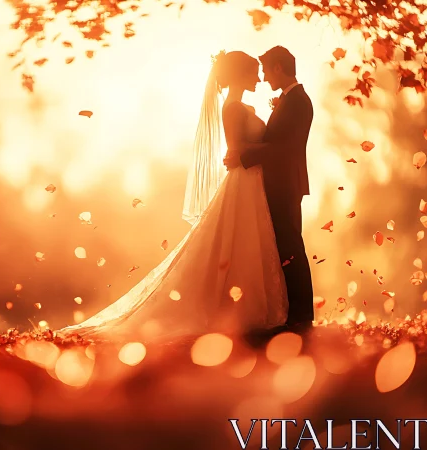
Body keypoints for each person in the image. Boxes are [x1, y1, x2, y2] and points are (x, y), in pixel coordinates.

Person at [57, 50, 292, 343]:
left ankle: (244, 307)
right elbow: (236, 148)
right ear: (240, 75)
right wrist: (261, 150)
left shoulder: (240, 106)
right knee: (239, 241)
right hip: (243, 180)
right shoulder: (232, 108)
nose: (258, 78)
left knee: (246, 242)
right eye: (254, 72)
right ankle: (239, 311)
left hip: (252, 181)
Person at [225, 46, 314, 332]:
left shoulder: (298, 101)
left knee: (291, 247)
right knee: (284, 247)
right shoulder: (290, 100)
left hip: (286, 184)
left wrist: (245, 156)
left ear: (278, 67)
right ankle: (293, 313)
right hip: (277, 183)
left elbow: (285, 148)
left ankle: (301, 315)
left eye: (265, 70)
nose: (263, 77)